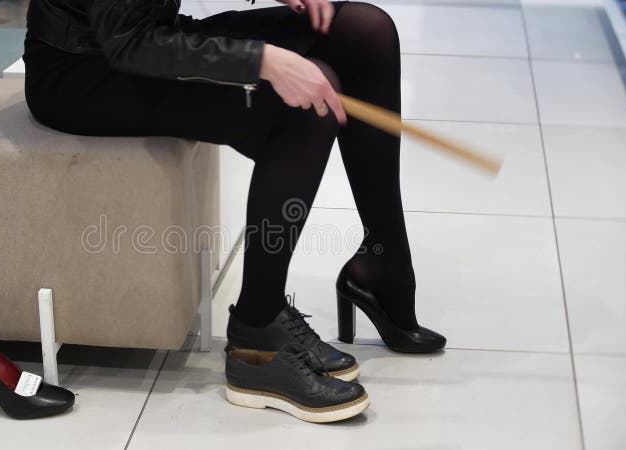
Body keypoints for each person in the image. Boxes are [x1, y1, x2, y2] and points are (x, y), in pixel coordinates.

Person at [23, 0, 446, 378]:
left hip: (143, 32)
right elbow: (129, 42)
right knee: (305, 105)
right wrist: (263, 61)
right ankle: (257, 325)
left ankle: (382, 264)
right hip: (85, 69)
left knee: (363, 31)